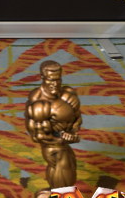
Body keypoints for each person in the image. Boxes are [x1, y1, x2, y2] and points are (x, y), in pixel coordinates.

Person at [25, 60, 82, 188]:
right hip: (52, 147)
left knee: (70, 169)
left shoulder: (68, 94)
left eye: (58, 79)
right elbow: (39, 136)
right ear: (42, 77)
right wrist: (62, 139)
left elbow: (77, 118)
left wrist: (72, 133)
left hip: (63, 143)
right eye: (51, 80)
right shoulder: (38, 102)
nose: (55, 84)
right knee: (64, 175)